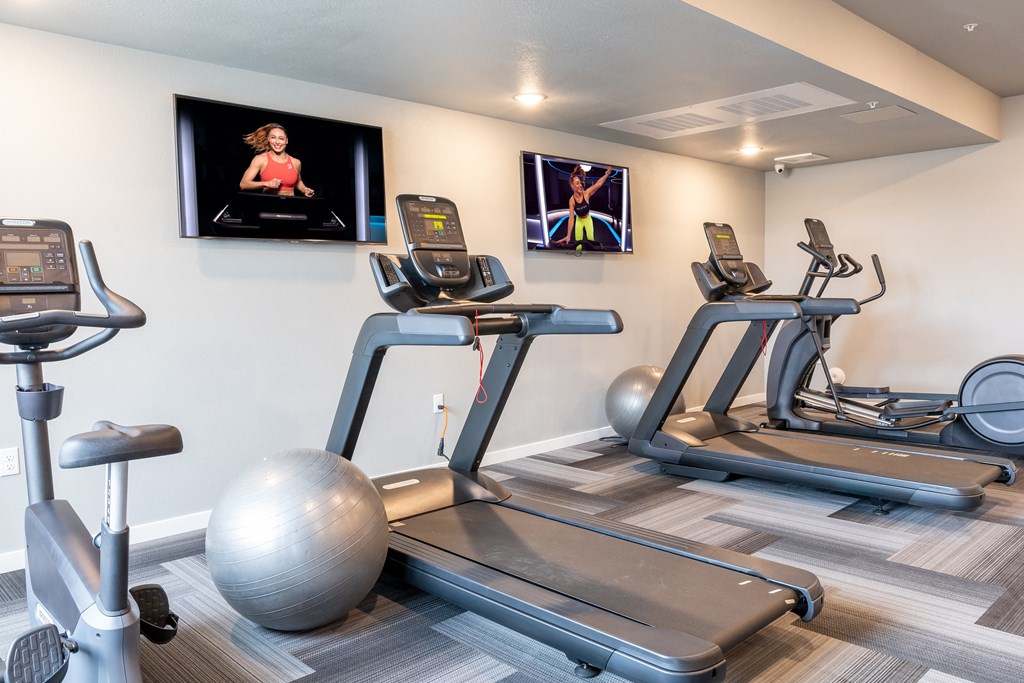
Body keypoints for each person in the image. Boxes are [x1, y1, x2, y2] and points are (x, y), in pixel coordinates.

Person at [239, 123, 315, 197]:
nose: (277, 142)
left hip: (291, 207)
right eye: (273, 137)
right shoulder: (260, 159)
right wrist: (266, 183)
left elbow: (298, 182)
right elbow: (243, 184)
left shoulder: (296, 162)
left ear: (286, 141)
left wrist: (304, 189)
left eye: (281, 138)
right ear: (268, 139)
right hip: (267, 206)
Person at [554, 165, 612, 247]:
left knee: (591, 242)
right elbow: (571, 218)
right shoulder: (572, 200)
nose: (580, 185)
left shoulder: (586, 193)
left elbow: (598, 184)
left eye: (580, 182)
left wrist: (607, 173)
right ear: (572, 186)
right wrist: (568, 235)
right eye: (577, 183)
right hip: (579, 221)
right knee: (578, 246)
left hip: (588, 220)